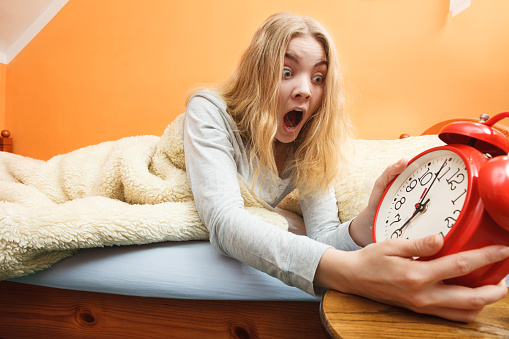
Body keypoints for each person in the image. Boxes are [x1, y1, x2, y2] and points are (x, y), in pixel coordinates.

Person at [183, 12, 508, 323]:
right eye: (286, 72)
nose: (305, 90)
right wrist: (349, 273)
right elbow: (224, 220)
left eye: (318, 78)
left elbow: (323, 235)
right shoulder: (208, 110)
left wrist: (366, 223)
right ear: (258, 73)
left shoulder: (306, 142)